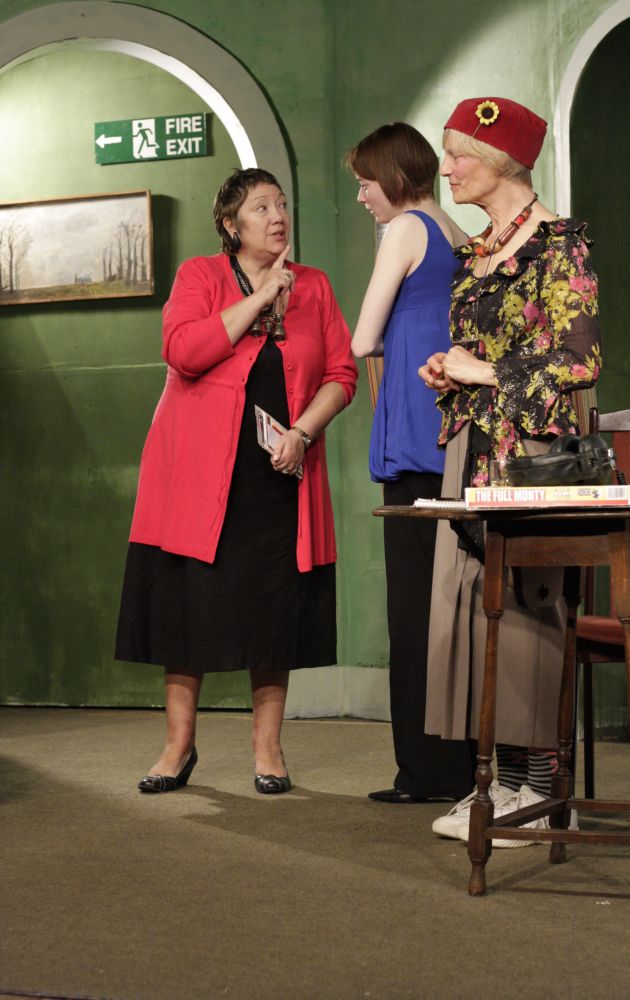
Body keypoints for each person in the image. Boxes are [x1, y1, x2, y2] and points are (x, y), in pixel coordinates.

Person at [115, 167, 357, 795]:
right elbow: (183, 351)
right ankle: (177, 747)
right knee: (186, 608)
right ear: (231, 225)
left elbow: (341, 374)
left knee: (272, 609)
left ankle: (268, 750)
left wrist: (302, 432)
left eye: (281, 204)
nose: (277, 216)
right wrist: (260, 297)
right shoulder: (200, 275)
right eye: (260, 207)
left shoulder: (315, 285)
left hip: (279, 474)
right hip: (197, 475)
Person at [418, 96, 601, 842]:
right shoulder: (476, 253)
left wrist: (486, 371)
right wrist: (452, 371)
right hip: (474, 446)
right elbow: (483, 355)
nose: (448, 169)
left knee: (527, 608)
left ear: (499, 161)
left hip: (532, 456)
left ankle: (540, 784)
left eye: (458, 154)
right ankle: (499, 780)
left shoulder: (559, 247)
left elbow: (580, 361)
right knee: (473, 604)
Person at [347, 122, 477, 804]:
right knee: (453, 607)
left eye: (366, 182)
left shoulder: (404, 230)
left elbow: (362, 338)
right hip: (451, 438)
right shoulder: (455, 232)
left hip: (414, 437)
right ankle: (460, 764)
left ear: (393, 178)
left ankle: (424, 773)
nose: (362, 196)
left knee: (414, 609)